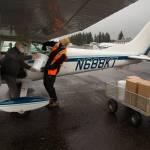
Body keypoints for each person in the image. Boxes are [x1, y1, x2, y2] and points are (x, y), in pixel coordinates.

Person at [43, 38, 70, 107]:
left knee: (49, 86)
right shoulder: (57, 45)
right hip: (48, 68)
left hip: (52, 71)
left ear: (64, 43)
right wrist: (44, 43)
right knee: (46, 84)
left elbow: (55, 65)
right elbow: (49, 43)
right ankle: (52, 99)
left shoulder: (63, 53)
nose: (59, 41)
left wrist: (45, 68)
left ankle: (55, 101)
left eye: (61, 40)